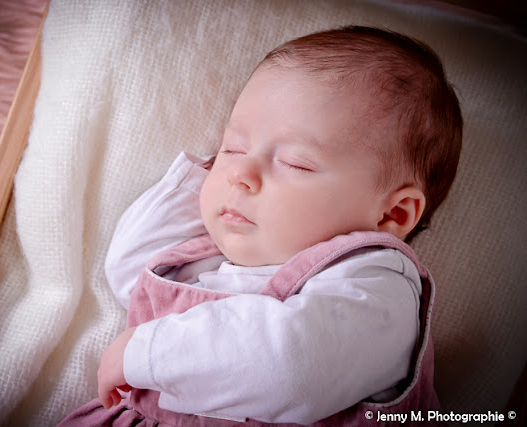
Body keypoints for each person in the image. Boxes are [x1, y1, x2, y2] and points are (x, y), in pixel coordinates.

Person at [59, 26, 462, 426]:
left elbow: (293, 367)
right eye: (232, 147)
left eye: (295, 162)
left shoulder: (375, 285)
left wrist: (150, 354)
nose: (240, 173)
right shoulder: (211, 262)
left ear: (393, 215)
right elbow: (130, 273)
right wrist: (207, 179)